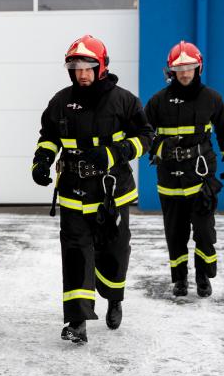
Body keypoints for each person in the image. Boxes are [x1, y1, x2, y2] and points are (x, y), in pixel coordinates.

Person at [31, 35, 154, 344]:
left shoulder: (124, 100)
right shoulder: (60, 101)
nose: (82, 74)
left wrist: (115, 152)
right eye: (75, 68)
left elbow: (146, 136)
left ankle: (114, 298)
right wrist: (42, 160)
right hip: (73, 190)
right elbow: (49, 135)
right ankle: (77, 321)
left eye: (88, 67)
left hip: (111, 192)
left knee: (114, 251)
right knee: (75, 254)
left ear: (102, 67)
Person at [144, 40, 224, 298]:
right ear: (171, 71)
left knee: (204, 232)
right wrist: (159, 148)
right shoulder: (157, 102)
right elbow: (141, 134)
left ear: (199, 68)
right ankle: (180, 280)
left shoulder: (211, 99)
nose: (185, 73)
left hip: (201, 177)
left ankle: (202, 276)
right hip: (169, 178)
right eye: (180, 68)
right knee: (175, 234)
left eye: (190, 67)